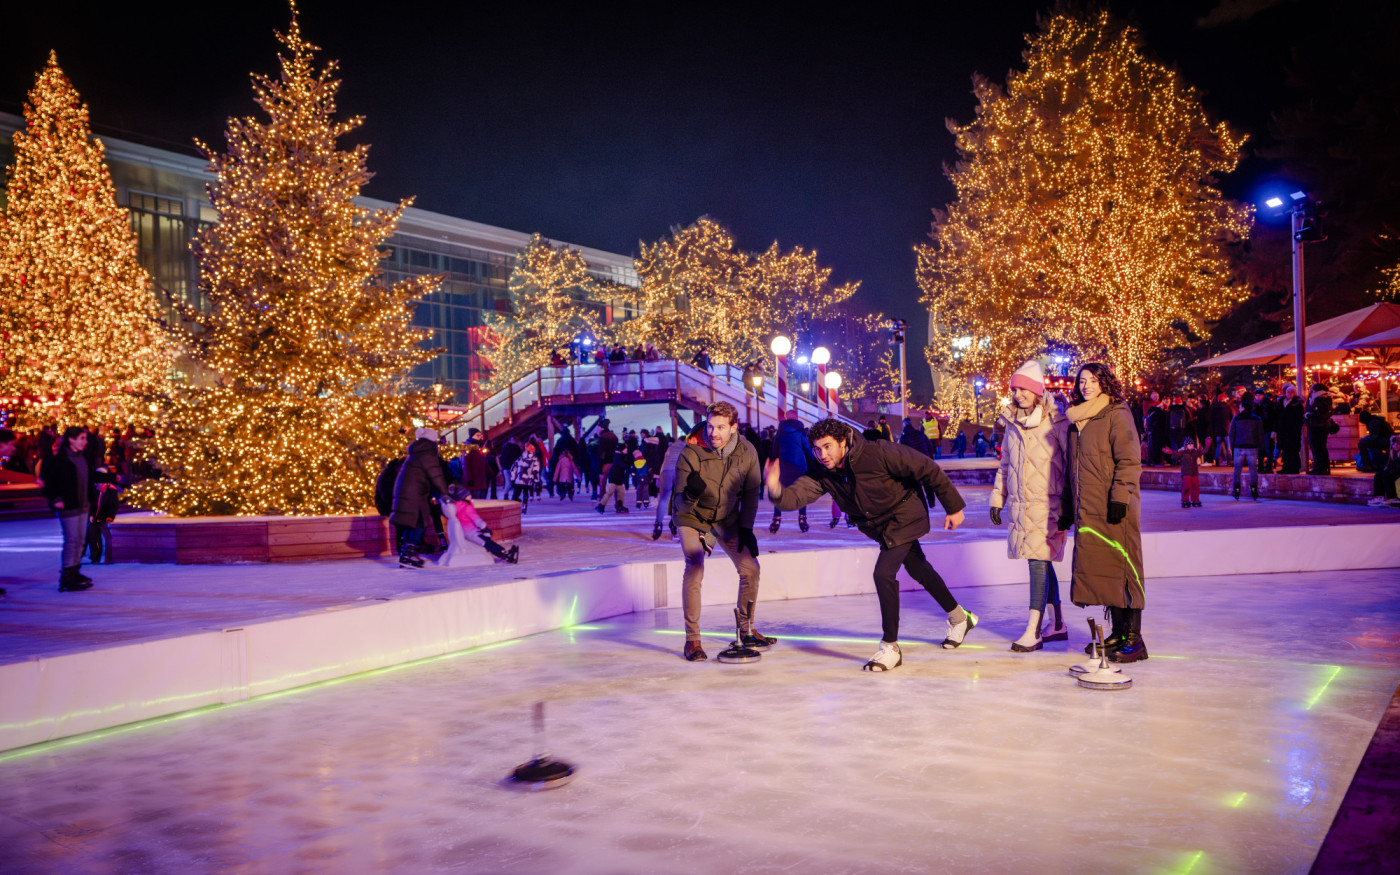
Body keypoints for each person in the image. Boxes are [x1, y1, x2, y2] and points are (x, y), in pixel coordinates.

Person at [766, 418, 974, 672]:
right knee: (918, 569)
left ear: (843, 441)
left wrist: (953, 507)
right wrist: (775, 487)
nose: (822, 455)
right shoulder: (823, 472)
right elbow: (795, 497)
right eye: (817, 449)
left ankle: (890, 647)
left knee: (883, 573)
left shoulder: (877, 452)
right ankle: (960, 617)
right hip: (880, 527)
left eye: (828, 447)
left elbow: (926, 467)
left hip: (905, 514)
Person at [1061, 363, 1147, 663]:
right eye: (1082, 381)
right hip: (1089, 508)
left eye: (1093, 381)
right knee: (1105, 573)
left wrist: (1120, 497)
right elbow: (1072, 470)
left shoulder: (1116, 414)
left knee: (1125, 569)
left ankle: (1135, 638)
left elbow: (1129, 460)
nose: (1086, 386)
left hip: (1114, 507)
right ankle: (1118, 631)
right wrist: (1066, 508)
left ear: (1105, 384)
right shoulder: (1076, 421)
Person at [673, 401, 768, 662]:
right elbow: (679, 502)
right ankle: (692, 640)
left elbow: (750, 494)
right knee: (695, 565)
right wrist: (692, 493)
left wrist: (746, 528)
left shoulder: (747, 451)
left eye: (721, 427)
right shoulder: (690, 452)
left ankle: (745, 629)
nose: (713, 433)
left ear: (733, 428)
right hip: (692, 517)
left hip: (726, 519)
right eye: (711, 426)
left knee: (751, 569)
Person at [989, 360, 1070, 652]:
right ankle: (1057, 623)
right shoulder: (1012, 422)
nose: (1018, 393)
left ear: (1037, 391)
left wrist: (1069, 505)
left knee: (1037, 562)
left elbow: (1071, 464)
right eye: (1014, 388)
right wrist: (998, 498)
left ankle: (1033, 630)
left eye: (1023, 388)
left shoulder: (1058, 421)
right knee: (1040, 560)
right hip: (1022, 505)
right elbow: (1006, 463)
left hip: (1050, 504)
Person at [41, 427, 112, 591]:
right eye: (81, 438)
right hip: (69, 506)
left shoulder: (84, 458)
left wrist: (110, 480)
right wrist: (55, 499)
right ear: (71, 440)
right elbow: (48, 482)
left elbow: (90, 478)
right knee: (72, 540)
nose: (85, 442)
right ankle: (67, 576)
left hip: (84, 505)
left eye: (85, 438)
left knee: (80, 540)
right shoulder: (60, 460)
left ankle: (74, 571)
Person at [390, 428, 449, 568]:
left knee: (413, 523)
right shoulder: (426, 453)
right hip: (413, 494)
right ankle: (408, 554)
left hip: (410, 492)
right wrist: (444, 493)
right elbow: (436, 475)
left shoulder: (418, 452)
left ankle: (407, 553)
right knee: (420, 523)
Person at [654, 424, 703, 540]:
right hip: (679, 471)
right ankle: (675, 525)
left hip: (665, 471)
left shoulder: (671, 447)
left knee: (664, 498)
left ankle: (658, 526)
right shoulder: (689, 447)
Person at [769, 411, 813, 533]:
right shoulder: (800, 432)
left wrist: (773, 462)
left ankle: (776, 519)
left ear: (786, 418)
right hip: (799, 465)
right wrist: (817, 460)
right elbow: (807, 448)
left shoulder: (779, 432)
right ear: (797, 418)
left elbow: (774, 449)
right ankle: (802, 518)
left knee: (779, 491)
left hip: (783, 465)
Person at [1229, 398, 1264, 500]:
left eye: (1239, 407)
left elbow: (1232, 434)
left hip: (1239, 446)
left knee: (1237, 469)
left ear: (1243, 408)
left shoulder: (1236, 419)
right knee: (1253, 469)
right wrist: (1261, 448)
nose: (1238, 409)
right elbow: (1260, 434)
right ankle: (1253, 489)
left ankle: (1236, 489)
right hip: (1252, 447)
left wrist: (1232, 446)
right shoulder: (1257, 419)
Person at [1162, 438, 1203, 508]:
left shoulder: (1195, 452)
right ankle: (1185, 500)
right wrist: (1170, 452)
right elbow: (1176, 453)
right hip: (1186, 473)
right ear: (1186, 446)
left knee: (1196, 487)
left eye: (1192, 445)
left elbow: (1203, 452)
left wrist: (1207, 446)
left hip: (1194, 472)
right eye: (1190, 445)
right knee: (1187, 487)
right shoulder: (1183, 452)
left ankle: (1195, 499)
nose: (1191, 446)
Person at [1304, 383, 1335, 475]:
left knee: (1319, 447)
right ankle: (1318, 467)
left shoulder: (1322, 398)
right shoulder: (1314, 397)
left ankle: (1322, 467)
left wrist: (1309, 415)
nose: (1311, 391)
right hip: (1313, 425)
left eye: (1313, 389)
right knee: (1316, 447)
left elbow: (1321, 412)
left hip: (1319, 425)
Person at [597, 444, 633, 514]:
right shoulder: (617, 456)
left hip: (619, 478)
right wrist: (630, 469)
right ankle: (601, 505)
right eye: (625, 449)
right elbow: (623, 464)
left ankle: (619, 505)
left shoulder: (623, 456)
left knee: (621, 492)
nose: (626, 450)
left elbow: (627, 463)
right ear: (621, 450)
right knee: (610, 491)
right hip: (613, 477)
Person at [1278, 384, 1305, 474]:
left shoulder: (1297, 404)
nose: (1289, 394)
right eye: (1288, 392)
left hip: (1293, 431)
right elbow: (1278, 416)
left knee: (1293, 449)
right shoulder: (1281, 403)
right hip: (1283, 430)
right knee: (1285, 449)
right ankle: (1286, 467)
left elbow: (1299, 418)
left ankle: (1294, 468)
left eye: (1292, 392)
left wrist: (1296, 428)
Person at [509, 442, 542, 511]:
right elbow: (536, 471)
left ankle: (516, 507)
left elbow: (513, 469)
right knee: (525, 494)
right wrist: (537, 481)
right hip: (528, 481)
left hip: (519, 480)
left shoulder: (520, 458)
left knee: (515, 495)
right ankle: (524, 506)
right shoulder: (535, 460)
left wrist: (512, 479)